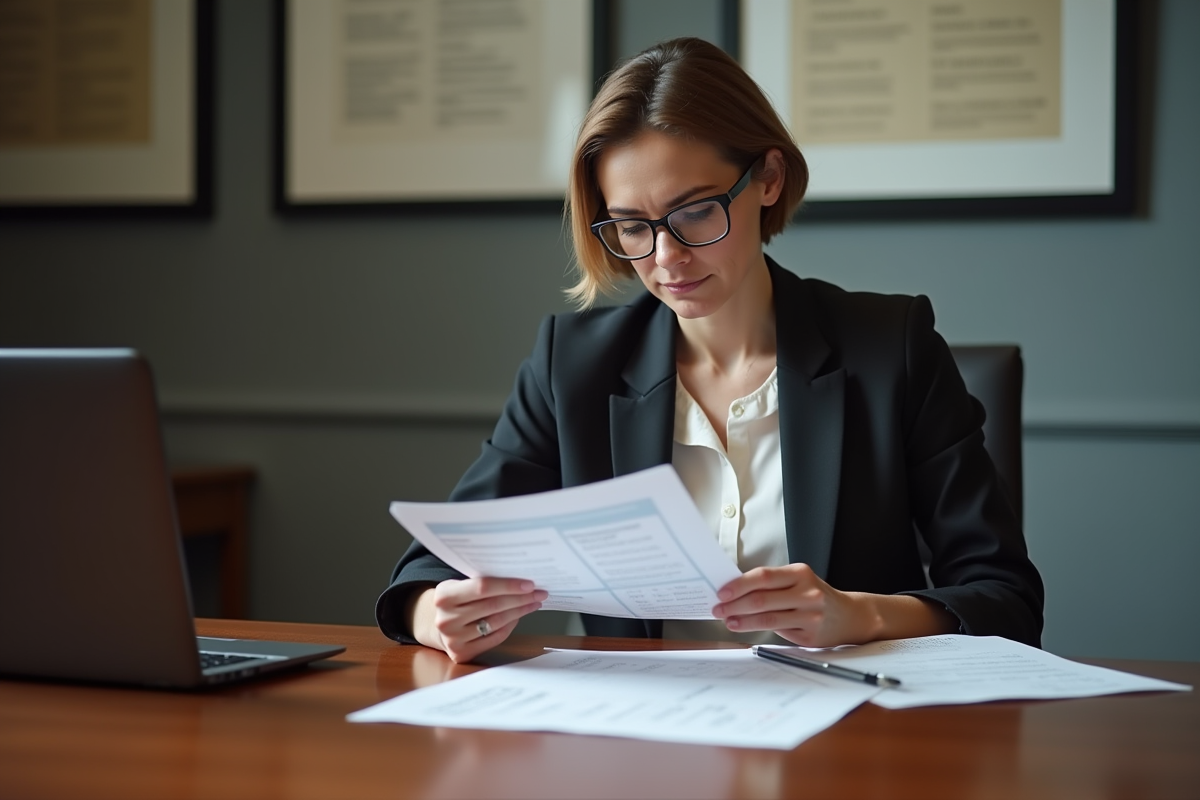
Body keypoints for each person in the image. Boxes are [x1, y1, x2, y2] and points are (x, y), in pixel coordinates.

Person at [376, 37, 1043, 664]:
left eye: (695, 212)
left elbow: (1005, 598)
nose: (666, 257)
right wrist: (435, 614)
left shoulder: (890, 348)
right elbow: (428, 569)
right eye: (632, 226)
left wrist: (858, 615)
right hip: (641, 729)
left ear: (769, 178)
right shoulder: (572, 365)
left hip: (846, 727)